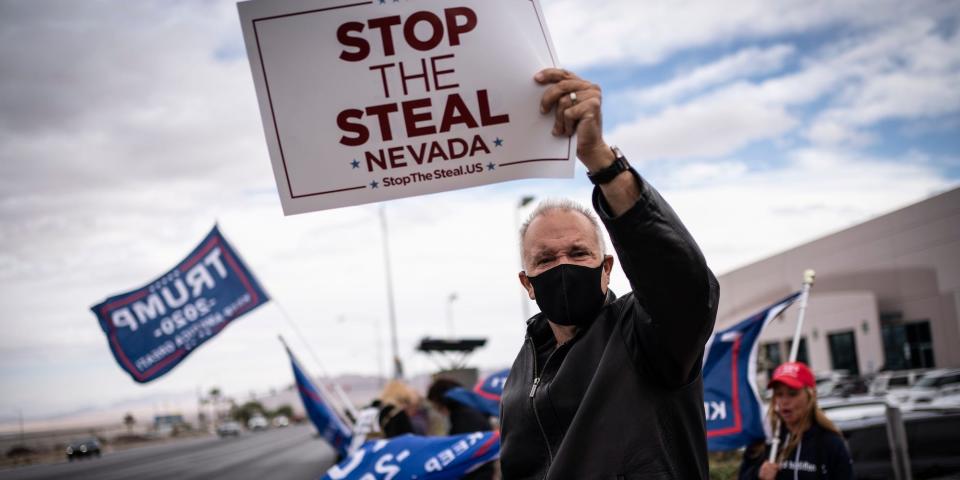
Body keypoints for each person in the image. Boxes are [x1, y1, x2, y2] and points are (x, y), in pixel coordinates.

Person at [498, 68, 720, 479]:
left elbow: (681, 281)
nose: (563, 265)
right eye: (545, 260)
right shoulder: (520, 374)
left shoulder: (647, 337)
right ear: (527, 284)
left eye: (579, 253)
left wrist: (600, 158)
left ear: (606, 268)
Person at [739, 362, 854, 479]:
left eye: (792, 394)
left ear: (810, 396)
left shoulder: (830, 442)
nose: (784, 401)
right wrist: (758, 475)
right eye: (779, 394)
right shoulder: (765, 439)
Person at [426, 378, 496, 480]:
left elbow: (461, 451)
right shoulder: (471, 411)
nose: (437, 410)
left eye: (436, 405)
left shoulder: (461, 416)